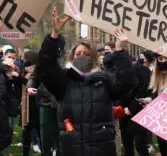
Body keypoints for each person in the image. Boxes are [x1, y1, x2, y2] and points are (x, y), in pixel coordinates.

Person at [35, 9, 136, 156]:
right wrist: (54, 36)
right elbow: (44, 67)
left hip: (101, 149)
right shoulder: (63, 81)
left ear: (93, 58)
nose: (82, 57)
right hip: (72, 148)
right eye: (78, 54)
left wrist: (120, 51)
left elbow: (126, 83)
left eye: (87, 55)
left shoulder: (104, 80)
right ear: (72, 57)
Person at [27, 38, 64, 156]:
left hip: (62, 103)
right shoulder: (42, 60)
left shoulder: (67, 60)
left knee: (61, 134)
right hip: (45, 102)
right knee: (45, 134)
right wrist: (30, 86)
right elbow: (33, 77)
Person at [20, 51, 42, 156]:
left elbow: (27, 82)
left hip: (34, 105)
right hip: (27, 105)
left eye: (24, 58)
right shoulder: (26, 70)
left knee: (38, 131)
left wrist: (20, 77)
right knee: (26, 132)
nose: (23, 60)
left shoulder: (36, 70)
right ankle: (25, 152)